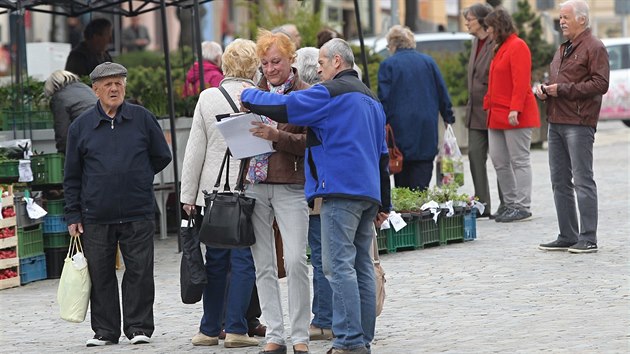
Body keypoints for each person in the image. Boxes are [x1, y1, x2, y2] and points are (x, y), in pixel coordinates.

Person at [241, 38, 392, 354]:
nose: (319, 69)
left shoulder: (330, 93)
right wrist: (384, 203)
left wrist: (248, 95)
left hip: (339, 190)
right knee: (362, 265)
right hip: (368, 194)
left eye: (322, 63)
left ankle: (349, 341)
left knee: (338, 266)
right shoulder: (372, 100)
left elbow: (286, 107)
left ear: (337, 61)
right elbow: (382, 155)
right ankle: (362, 338)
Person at [63, 62, 172, 347]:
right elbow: (72, 175)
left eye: (119, 83)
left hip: (137, 210)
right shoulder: (81, 127)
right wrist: (73, 213)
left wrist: (139, 175)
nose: (114, 88)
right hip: (96, 214)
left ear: (125, 86)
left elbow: (162, 155)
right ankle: (105, 331)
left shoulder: (142, 118)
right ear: (95, 89)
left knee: (139, 271)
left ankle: (138, 328)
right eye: (108, 84)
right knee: (100, 274)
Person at [179, 38, 261, 349]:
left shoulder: (208, 97)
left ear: (225, 65)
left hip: (212, 194)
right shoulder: (259, 96)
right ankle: (237, 328)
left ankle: (209, 329)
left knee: (214, 259)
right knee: (243, 260)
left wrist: (188, 197)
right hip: (250, 189)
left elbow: (194, 151)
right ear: (254, 66)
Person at [242, 29, 311, 354]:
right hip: (255, 184)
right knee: (264, 264)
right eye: (266, 63)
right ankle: (276, 334)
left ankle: (300, 335)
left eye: (277, 62)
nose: (270, 69)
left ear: (290, 59)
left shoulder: (305, 93)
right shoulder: (252, 93)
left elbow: (310, 143)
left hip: (290, 184)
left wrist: (275, 136)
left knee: (296, 260)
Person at [536, 0, 609, 253]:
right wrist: (546, 90)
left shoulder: (594, 47)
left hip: (579, 122)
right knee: (559, 181)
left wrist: (563, 90)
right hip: (556, 121)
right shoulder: (563, 48)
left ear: (582, 19)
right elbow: (559, 79)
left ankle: (588, 237)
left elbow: (601, 84)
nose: (562, 21)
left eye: (566, 17)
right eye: (560, 17)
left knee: (582, 179)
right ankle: (567, 234)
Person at [377, 25, 455, 191]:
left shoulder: (388, 65)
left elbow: (384, 99)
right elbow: (442, 92)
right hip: (425, 133)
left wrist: (380, 124)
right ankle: (422, 212)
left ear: (393, 44)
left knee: (402, 186)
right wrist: (448, 117)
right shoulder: (428, 62)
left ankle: (407, 215)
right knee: (421, 185)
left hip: (399, 134)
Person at [483, 8, 540, 223]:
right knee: (499, 160)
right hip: (497, 113)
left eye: (489, 27)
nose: (487, 31)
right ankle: (509, 202)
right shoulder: (501, 47)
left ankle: (522, 205)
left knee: (519, 160)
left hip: (515, 113)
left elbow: (521, 81)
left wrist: (515, 108)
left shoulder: (518, 46)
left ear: (498, 27)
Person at [295, 46, 333, 342]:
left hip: (319, 189)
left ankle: (324, 319)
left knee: (321, 255)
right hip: (334, 186)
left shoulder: (315, 100)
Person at [463, 3, 503, 218]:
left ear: (482, 20)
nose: (467, 23)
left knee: (499, 159)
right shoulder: (474, 43)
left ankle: (507, 203)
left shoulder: (494, 42)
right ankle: (482, 204)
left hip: (492, 110)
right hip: (475, 111)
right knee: (475, 157)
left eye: (469, 18)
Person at [44, 70, 98, 154]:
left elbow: (62, 130)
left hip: (87, 138)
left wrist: (62, 152)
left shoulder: (58, 98)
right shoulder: (85, 88)